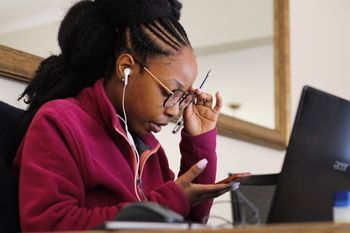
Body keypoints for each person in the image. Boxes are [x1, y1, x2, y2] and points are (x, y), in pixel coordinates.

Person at [12, 0, 237, 231]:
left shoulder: (146, 145)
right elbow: (50, 225)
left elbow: (188, 224)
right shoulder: (60, 123)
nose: (173, 110)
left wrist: (199, 142)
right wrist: (171, 201)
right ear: (125, 68)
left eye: (182, 98)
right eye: (169, 93)